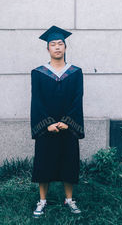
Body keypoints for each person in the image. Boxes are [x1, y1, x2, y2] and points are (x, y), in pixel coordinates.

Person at [30, 25, 85, 218]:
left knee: (68, 162)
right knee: (44, 162)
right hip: (48, 128)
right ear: (47, 49)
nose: (57, 47)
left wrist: (68, 121)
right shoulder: (38, 73)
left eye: (60, 43)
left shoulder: (76, 73)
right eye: (53, 44)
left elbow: (77, 99)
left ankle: (69, 199)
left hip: (67, 127)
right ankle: (42, 200)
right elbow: (37, 101)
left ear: (65, 48)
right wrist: (47, 124)